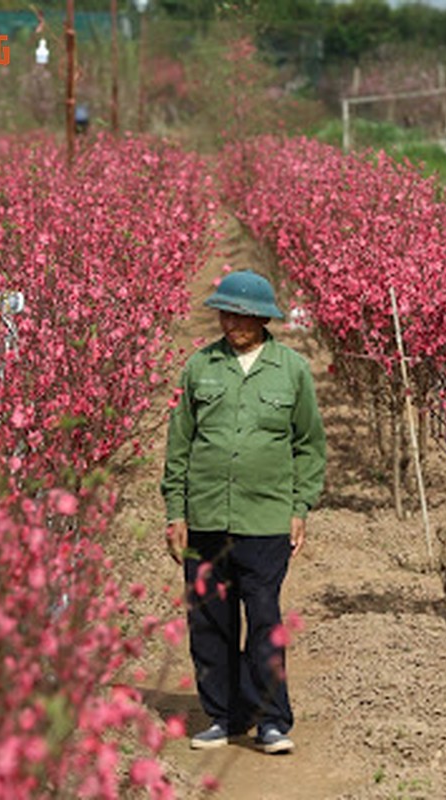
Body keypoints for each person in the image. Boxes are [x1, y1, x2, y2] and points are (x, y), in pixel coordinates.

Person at [160, 270, 326, 755]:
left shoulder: (290, 370)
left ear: (264, 318)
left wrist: (300, 507)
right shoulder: (201, 367)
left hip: (266, 519)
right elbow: (179, 445)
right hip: (206, 516)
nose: (233, 322)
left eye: (244, 314)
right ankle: (224, 715)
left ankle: (272, 720)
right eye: (227, 312)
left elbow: (309, 445)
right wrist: (176, 512)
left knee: (264, 617)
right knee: (211, 621)